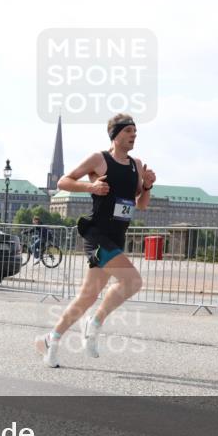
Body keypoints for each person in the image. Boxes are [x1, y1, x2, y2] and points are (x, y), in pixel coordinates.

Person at [35, 113, 156, 368]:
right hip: (97, 235)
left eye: (135, 131)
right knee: (132, 280)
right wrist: (90, 188)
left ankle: (50, 339)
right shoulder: (99, 159)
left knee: (87, 296)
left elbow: (141, 206)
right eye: (128, 131)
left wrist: (146, 186)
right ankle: (95, 321)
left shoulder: (136, 164)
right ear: (115, 134)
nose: (134, 135)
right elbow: (63, 181)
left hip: (116, 236)